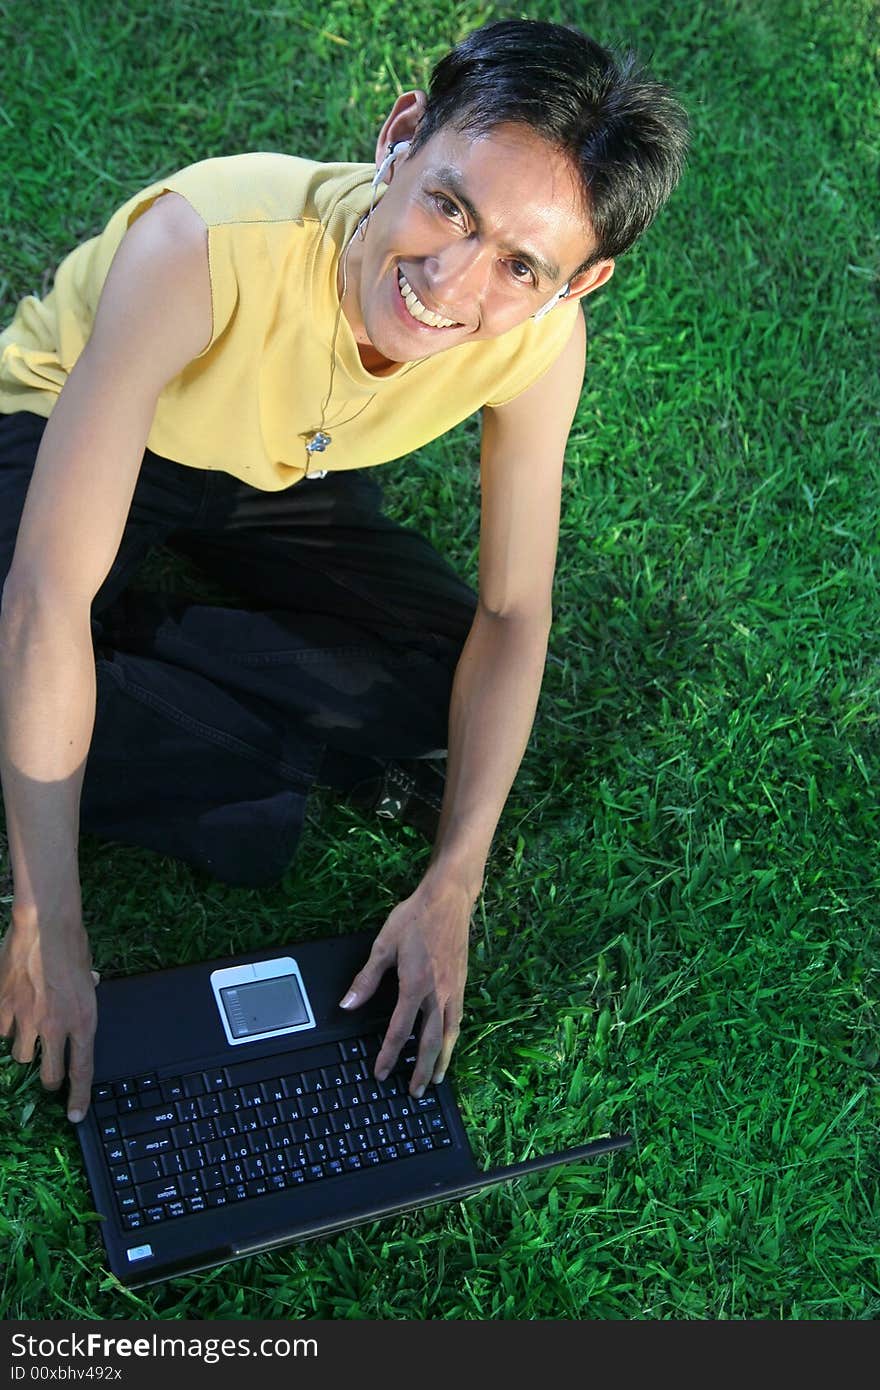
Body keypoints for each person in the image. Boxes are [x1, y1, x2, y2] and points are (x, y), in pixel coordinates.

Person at [0, 20, 688, 1124]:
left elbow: (512, 613)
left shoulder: (539, 344)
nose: (450, 281)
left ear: (579, 284)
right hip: (86, 424)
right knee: (41, 614)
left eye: (520, 265)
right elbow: (42, 593)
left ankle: (109, 656)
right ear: (402, 136)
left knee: (438, 684)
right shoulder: (205, 246)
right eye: (449, 205)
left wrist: (453, 880)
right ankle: (97, 664)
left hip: (281, 467)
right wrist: (49, 920)